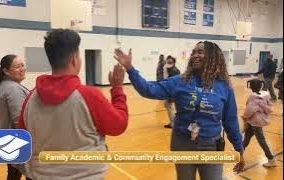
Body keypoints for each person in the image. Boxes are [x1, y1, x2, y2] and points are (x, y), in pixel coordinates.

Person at [113, 41, 245, 180]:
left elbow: (230, 121)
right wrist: (130, 68)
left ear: (213, 57)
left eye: (200, 52)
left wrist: (239, 150)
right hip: (183, 143)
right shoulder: (179, 81)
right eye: (193, 52)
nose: (195, 55)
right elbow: (149, 90)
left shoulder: (223, 86)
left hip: (211, 145)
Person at [18, 29, 128, 179]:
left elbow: (23, 142)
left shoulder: (30, 98)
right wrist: (117, 89)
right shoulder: (89, 95)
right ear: (74, 59)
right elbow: (118, 125)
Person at [0, 54, 32, 180]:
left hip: (9, 140)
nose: (22, 69)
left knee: (14, 173)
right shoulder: (13, 89)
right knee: (31, 174)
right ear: (6, 71)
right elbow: (19, 120)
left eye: (22, 65)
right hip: (17, 141)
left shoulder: (6, 85)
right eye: (17, 67)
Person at [242, 78, 277, 167]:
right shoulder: (264, 95)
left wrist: (244, 116)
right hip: (257, 121)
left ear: (251, 87)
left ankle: (271, 159)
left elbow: (249, 110)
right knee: (247, 136)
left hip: (255, 122)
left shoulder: (253, 97)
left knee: (261, 141)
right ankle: (240, 150)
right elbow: (270, 107)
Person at [163, 56, 180, 128]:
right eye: (167, 62)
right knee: (168, 106)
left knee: (168, 105)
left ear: (173, 62)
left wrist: (171, 95)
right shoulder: (169, 69)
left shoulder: (174, 70)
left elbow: (174, 83)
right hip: (170, 91)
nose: (168, 63)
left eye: (170, 62)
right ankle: (173, 122)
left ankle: (173, 123)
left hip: (172, 92)